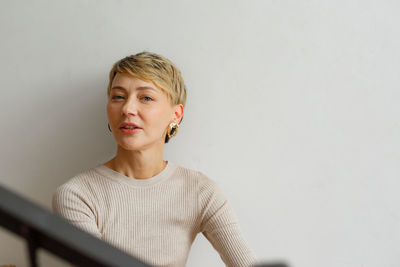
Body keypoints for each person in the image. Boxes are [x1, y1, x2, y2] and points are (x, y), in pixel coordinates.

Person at [52, 51, 257, 267]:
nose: (127, 109)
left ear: (176, 115)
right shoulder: (77, 195)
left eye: (146, 98)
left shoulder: (200, 191)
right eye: (118, 97)